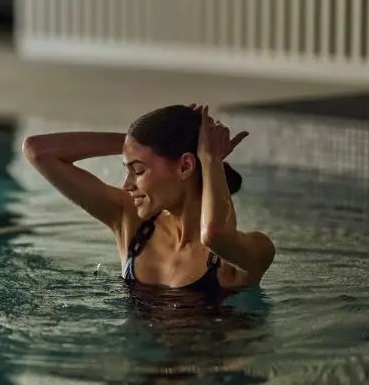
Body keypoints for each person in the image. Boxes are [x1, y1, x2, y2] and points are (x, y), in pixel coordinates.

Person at [22, 104, 275, 292]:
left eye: (138, 170)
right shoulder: (131, 221)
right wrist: (138, 144)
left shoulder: (251, 252)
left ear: (185, 166)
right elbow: (37, 151)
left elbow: (214, 234)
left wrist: (210, 158)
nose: (127, 185)